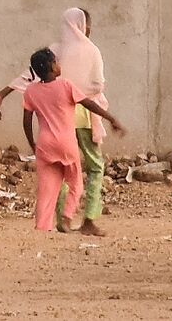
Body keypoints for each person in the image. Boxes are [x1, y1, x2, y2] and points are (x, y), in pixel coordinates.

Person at [0, 8, 118, 236]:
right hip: (81, 114)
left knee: (58, 174)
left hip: (54, 122)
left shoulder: (55, 50)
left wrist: (2, 93)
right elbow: (97, 85)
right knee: (95, 167)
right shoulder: (91, 51)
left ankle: (60, 219)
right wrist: (84, 92)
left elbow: (29, 76)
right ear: (84, 26)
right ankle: (88, 218)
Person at [22, 48, 124, 233]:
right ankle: (67, 217)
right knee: (75, 183)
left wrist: (32, 144)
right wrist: (111, 118)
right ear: (52, 66)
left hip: (45, 145)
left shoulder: (31, 91)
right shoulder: (66, 86)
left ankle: (42, 226)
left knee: (47, 189)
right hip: (66, 143)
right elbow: (89, 103)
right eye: (57, 62)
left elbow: (26, 121)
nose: (59, 64)